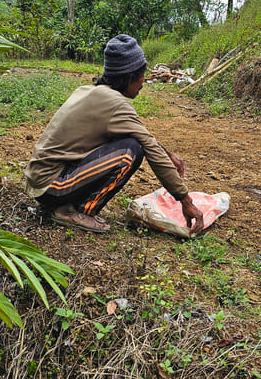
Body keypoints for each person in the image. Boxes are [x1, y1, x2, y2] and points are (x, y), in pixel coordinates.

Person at [24, 34, 205, 235]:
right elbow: (147, 145)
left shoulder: (90, 91)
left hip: (41, 182)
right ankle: (76, 212)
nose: (143, 81)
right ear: (128, 77)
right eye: (141, 74)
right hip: (52, 185)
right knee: (131, 151)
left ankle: (66, 205)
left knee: (134, 142)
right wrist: (185, 201)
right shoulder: (116, 104)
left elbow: (140, 133)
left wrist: (167, 153)